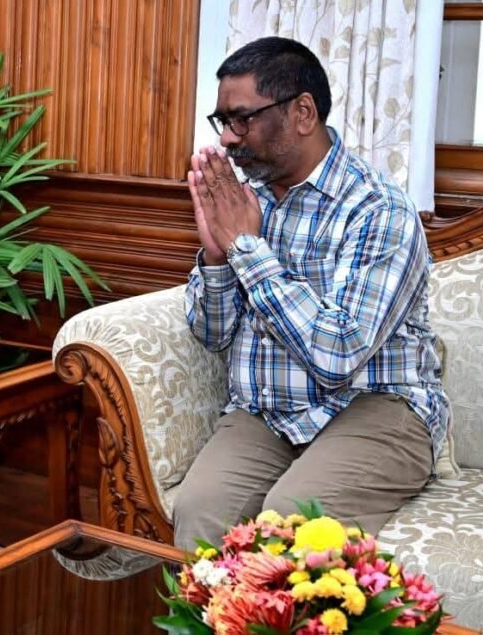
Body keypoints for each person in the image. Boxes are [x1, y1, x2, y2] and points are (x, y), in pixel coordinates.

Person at [172, 36, 448, 549]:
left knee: (292, 519)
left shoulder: (378, 209)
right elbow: (212, 336)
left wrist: (247, 250)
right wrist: (217, 257)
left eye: (242, 119)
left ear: (302, 112)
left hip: (376, 406)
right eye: (222, 121)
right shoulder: (244, 199)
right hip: (269, 412)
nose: (228, 139)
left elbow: (338, 354)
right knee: (200, 513)